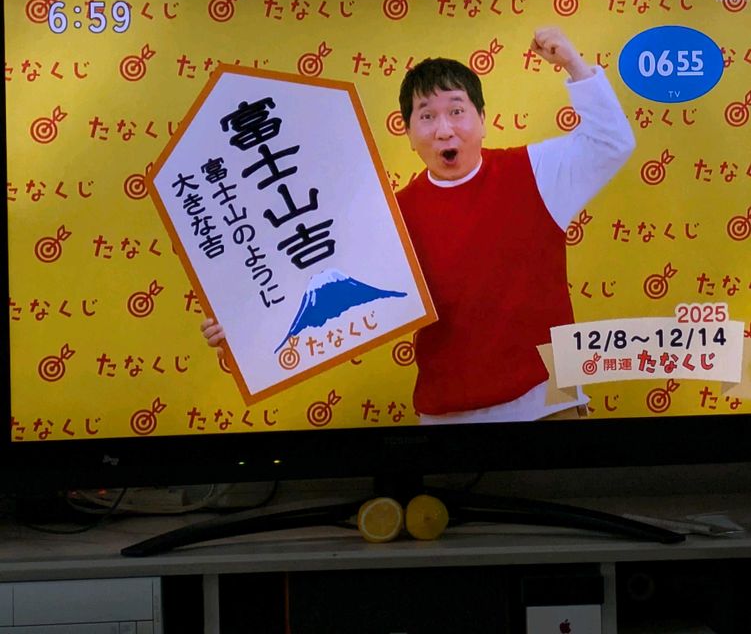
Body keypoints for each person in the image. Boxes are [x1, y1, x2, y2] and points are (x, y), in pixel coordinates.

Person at [203, 26, 635, 424]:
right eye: (426, 116)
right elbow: (320, 297)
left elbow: (611, 142)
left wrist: (573, 64)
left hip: (549, 400)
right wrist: (239, 332)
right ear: (409, 134)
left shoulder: (536, 172)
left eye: (457, 110)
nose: (444, 129)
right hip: (447, 413)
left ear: (482, 120)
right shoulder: (390, 217)